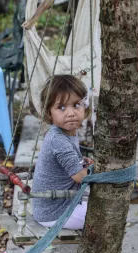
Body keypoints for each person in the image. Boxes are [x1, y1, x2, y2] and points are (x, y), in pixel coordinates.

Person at [31, 75, 93, 230]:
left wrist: (81, 161)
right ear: (49, 113)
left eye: (76, 105)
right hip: (55, 213)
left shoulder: (68, 131)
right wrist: (101, 169)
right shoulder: (58, 139)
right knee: (104, 215)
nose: (71, 113)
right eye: (62, 108)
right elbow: (80, 177)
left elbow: (67, 161)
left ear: (84, 107)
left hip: (62, 203)